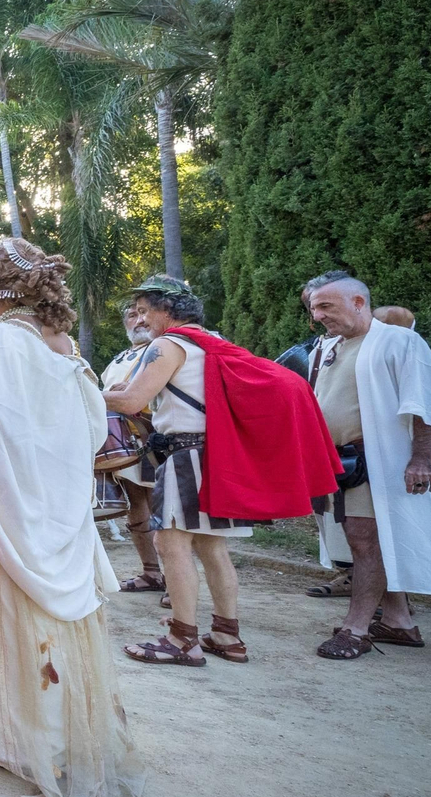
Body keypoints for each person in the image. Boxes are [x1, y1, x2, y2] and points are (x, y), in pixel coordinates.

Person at [0, 238, 143, 797]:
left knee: (12, 613)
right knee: (63, 622)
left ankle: (21, 739)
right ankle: (64, 736)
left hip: (10, 502)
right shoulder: (64, 348)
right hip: (62, 503)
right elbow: (93, 431)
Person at [107, 275, 337, 667]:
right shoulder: (213, 342)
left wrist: (84, 393)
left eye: (146, 310)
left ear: (167, 310)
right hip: (215, 455)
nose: (141, 319)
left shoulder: (168, 344)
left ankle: (182, 639)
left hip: (185, 457)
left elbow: (131, 401)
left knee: (170, 544)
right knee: (212, 547)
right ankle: (226, 635)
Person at [306, 273, 431, 658]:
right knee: (370, 540)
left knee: (365, 540)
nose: (317, 315)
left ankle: (356, 630)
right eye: (314, 308)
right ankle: (398, 622)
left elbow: (423, 403)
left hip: (377, 459)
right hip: (339, 462)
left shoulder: (400, 341)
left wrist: (422, 459)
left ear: (358, 302)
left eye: (325, 306)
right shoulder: (326, 348)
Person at [100, 301, 164, 595]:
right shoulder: (118, 359)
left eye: (142, 314)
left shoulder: (163, 349)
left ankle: (175, 581)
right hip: (123, 442)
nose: (138, 320)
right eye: (131, 315)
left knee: (163, 509)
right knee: (137, 505)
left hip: (156, 437)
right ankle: (151, 573)